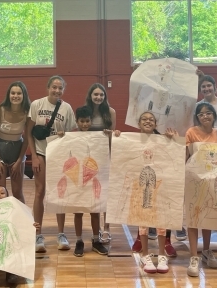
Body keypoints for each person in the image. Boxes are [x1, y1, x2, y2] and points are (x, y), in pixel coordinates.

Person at [113, 112, 178, 274]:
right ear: (138, 123)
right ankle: (145, 255)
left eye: (151, 120)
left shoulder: (163, 140)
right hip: (140, 187)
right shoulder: (131, 140)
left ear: (156, 124)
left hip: (159, 186)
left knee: (161, 220)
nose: (148, 121)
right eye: (144, 119)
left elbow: (174, 156)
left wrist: (173, 139)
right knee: (143, 220)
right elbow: (123, 157)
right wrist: (117, 137)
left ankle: (162, 255)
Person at [26, 75, 76, 253]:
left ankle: (61, 233)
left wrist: (65, 135)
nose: (57, 90)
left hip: (59, 155)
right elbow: (29, 131)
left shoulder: (67, 108)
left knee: (59, 193)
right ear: (48, 88)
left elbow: (72, 133)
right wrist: (33, 155)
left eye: (60, 88)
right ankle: (38, 234)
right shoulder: (37, 105)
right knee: (40, 192)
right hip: (41, 153)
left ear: (63, 90)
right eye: (54, 87)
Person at [185, 102, 217, 278]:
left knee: (207, 217)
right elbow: (186, 157)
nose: (205, 116)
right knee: (193, 218)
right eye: (201, 114)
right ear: (197, 117)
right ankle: (193, 256)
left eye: (208, 113)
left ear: (214, 115)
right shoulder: (191, 132)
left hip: (213, 181)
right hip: (193, 180)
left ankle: (206, 251)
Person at [0, 185, 41, 286]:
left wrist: (31, 229)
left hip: (10, 248)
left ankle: (11, 271)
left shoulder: (16, 212)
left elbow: (23, 229)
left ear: (8, 197)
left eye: (2, 193)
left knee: (13, 239)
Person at [71, 106, 109, 257]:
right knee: (78, 212)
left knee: (95, 211)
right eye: (82, 121)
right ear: (77, 122)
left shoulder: (98, 136)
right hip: (78, 180)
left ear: (91, 121)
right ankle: (79, 241)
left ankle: (95, 240)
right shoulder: (71, 137)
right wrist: (60, 136)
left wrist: (110, 135)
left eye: (87, 121)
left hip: (92, 178)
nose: (85, 124)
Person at [0, 81, 30, 204]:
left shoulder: (27, 112)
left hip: (17, 152)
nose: (15, 96)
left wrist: (19, 161)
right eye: (13, 93)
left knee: (17, 193)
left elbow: (27, 139)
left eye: (19, 93)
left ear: (24, 96)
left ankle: (21, 221)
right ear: (8, 94)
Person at [84, 83, 115, 244]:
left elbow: (112, 138)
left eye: (101, 95)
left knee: (106, 194)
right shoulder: (85, 111)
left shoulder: (110, 112)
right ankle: (96, 229)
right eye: (95, 94)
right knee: (93, 193)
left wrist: (111, 134)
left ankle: (107, 228)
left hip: (105, 157)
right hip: (89, 158)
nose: (98, 97)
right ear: (90, 96)